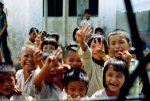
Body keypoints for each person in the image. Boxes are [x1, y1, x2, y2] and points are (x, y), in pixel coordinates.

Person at [76, 24, 110, 96]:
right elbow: (86, 54)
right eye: (93, 46)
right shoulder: (89, 63)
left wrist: (104, 56)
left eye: (101, 46)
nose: (97, 49)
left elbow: (111, 65)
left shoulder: (107, 62)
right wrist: (82, 42)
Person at [107, 29, 143, 96]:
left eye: (121, 42)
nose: (117, 46)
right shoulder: (107, 65)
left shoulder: (137, 64)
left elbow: (141, 83)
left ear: (129, 45)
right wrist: (128, 63)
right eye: (113, 43)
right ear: (109, 47)